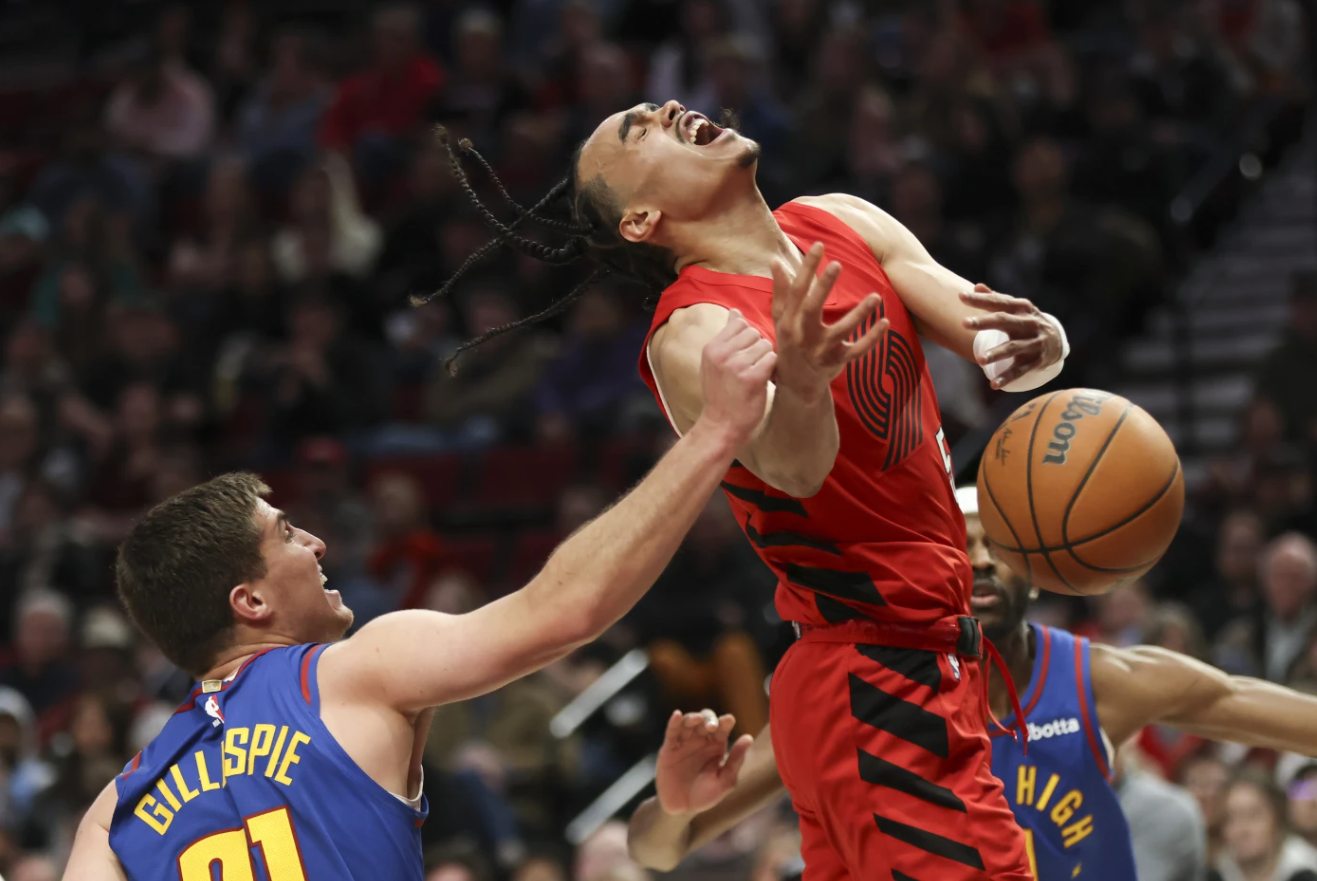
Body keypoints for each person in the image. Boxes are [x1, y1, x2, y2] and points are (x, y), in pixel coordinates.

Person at [427, 99, 1071, 881]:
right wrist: (800, 378)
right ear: (640, 218)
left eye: (659, 106)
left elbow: (995, 337)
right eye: (642, 128)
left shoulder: (841, 219)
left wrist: (1041, 343)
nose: (668, 108)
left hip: (914, 666)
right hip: (872, 675)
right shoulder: (693, 329)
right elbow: (795, 472)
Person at [59, 311, 779, 880]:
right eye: (286, 533)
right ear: (250, 602)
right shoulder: (351, 672)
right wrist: (715, 431)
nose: (315, 543)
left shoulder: (116, 807)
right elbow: (567, 611)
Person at [628, 487, 1317, 880]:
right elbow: (655, 848)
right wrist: (679, 806)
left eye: (999, 545)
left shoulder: (1097, 681)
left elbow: (1246, 704)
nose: (981, 561)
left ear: (1037, 566)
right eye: (960, 547)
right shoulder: (852, 700)